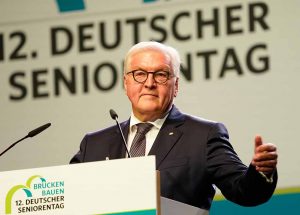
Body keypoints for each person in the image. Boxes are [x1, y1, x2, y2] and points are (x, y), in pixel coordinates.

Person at [70, 41, 278, 210]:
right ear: (126, 83)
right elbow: (67, 198)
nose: (149, 83)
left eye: (160, 74)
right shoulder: (94, 144)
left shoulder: (203, 136)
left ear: (175, 85)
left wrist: (261, 172)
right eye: (139, 74)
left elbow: (244, 191)